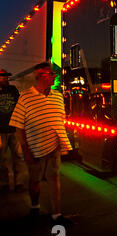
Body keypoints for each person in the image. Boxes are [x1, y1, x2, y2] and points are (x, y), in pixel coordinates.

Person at [9, 62, 72, 225]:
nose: (54, 76)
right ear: (40, 76)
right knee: (35, 180)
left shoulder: (57, 96)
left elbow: (60, 120)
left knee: (54, 178)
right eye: (51, 74)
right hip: (34, 147)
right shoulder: (26, 96)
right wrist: (26, 150)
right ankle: (35, 207)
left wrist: (61, 143)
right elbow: (18, 126)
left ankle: (56, 214)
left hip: (54, 147)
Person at [0, 69, 26, 192]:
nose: (6, 78)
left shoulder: (13, 90)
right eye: (3, 76)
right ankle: (4, 184)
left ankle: (19, 183)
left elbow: (19, 106)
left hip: (14, 129)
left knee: (18, 157)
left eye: (7, 76)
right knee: (2, 159)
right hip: (1, 131)